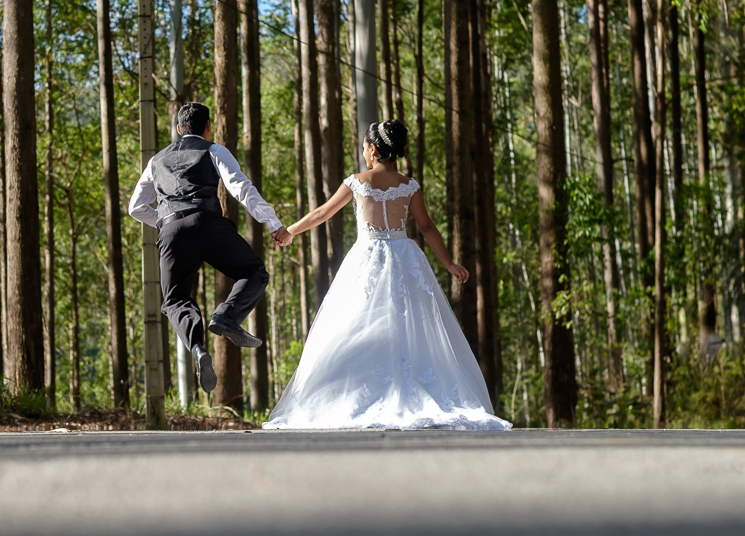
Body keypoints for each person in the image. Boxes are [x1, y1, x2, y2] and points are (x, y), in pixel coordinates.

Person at [266, 120, 511, 430]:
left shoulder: (357, 182)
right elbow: (426, 227)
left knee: (356, 324)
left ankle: (362, 390)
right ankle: (408, 386)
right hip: (405, 257)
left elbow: (323, 213)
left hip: (366, 258)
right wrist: (449, 264)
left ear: (372, 149)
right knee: (410, 327)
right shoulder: (410, 186)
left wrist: (290, 231)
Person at [128, 103, 291, 394]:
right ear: (208, 127)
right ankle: (226, 316)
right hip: (208, 223)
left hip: (170, 231)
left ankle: (198, 347)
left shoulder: (155, 161)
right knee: (254, 272)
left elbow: (136, 207)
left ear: (179, 129)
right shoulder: (214, 150)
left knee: (175, 299)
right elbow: (241, 188)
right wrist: (273, 223)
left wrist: (164, 222)